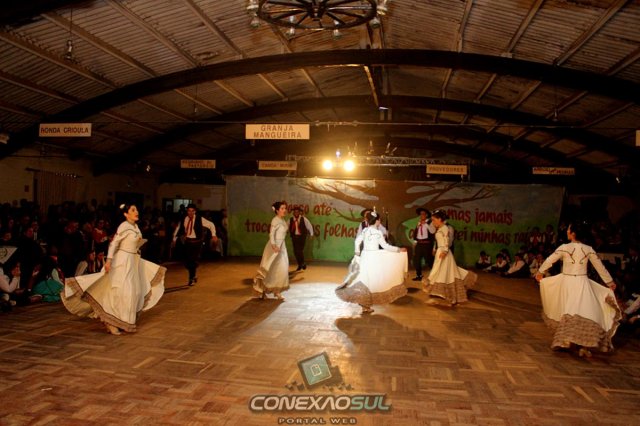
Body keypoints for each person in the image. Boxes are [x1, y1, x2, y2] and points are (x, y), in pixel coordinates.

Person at [62, 203, 166, 335]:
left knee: (134, 292)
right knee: (121, 291)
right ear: (126, 214)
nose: (136, 212)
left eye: (136, 209)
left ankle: (121, 321)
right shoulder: (124, 226)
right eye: (133, 210)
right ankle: (110, 321)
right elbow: (114, 243)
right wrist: (109, 261)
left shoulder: (136, 227)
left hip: (133, 261)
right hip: (122, 261)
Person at [535, 223, 621, 358]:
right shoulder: (588, 249)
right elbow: (600, 267)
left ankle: (568, 341)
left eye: (569, 229)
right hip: (581, 282)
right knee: (582, 310)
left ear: (573, 233)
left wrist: (540, 272)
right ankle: (578, 344)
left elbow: (550, 260)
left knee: (570, 310)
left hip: (568, 282)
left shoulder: (565, 247)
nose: (567, 231)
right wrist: (609, 281)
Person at [336, 210, 408, 314]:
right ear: (377, 221)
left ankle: (365, 305)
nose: (380, 221)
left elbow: (357, 241)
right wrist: (398, 249)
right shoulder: (378, 233)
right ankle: (365, 305)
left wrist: (357, 253)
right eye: (379, 220)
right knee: (373, 280)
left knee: (365, 279)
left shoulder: (365, 230)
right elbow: (385, 246)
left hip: (365, 256)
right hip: (374, 258)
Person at [422, 210, 477, 306]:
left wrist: (444, 251)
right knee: (447, 272)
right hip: (440, 251)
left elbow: (446, 241)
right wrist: (435, 248)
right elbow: (438, 240)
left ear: (439, 219)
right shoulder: (440, 228)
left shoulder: (445, 228)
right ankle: (442, 294)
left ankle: (447, 295)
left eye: (434, 220)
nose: (433, 222)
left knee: (443, 272)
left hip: (444, 253)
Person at [172, 203, 217, 286]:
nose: (190, 213)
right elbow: (179, 228)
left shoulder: (199, 218)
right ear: (187, 211)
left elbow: (211, 225)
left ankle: (191, 278)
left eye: (192, 211)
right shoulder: (184, 218)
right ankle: (194, 274)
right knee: (187, 261)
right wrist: (174, 239)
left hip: (197, 242)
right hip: (188, 242)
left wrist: (213, 235)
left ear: (195, 211)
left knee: (193, 260)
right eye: (189, 211)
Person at [253, 201, 289, 300]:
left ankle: (277, 291)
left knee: (280, 269)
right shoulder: (275, 220)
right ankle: (262, 290)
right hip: (274, 247)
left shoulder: (282, 220)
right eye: (282, 208)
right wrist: (273, 245)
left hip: (282, 247)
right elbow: (271, 233)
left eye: (285, 208)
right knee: (269, 268)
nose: (284, 210)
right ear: (277, 210)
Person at [412, 207, 435, 281]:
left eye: (423, 214)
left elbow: (432, 231)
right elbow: (416, 233)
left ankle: (435, 275)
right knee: (416, 260)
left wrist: (426, 224)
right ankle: (419, 275)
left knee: (429, 260)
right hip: (419, 244)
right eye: (420, 214)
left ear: (426, 215)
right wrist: (415, 241)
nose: (421, 215)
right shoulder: (419, 223)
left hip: (426, 244)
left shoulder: (430, 223)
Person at [289, 206, 314, 271]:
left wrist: (311, 234)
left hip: (302, 237)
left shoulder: (303, 219)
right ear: (293, 213)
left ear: (299, 212)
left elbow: (309, 226)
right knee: (295, 252)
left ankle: (302, 263)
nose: (296, 213)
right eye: (295, 212)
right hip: (294, 237)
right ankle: (300, 264)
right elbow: (286, 226)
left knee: (299, 250)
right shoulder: (291, 219)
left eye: (297, 212)